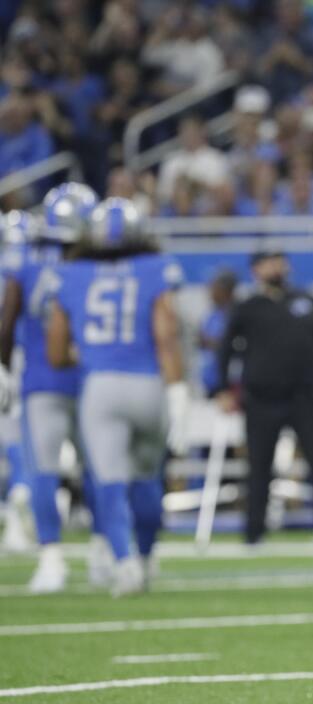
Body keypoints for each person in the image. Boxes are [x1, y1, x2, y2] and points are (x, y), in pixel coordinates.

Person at [46, 198, 189, 597]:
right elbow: (166, 335)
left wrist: (87, 353)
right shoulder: (156, 269)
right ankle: (145, 558)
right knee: (147, 478)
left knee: (108, 482)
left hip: (101, 387)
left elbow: (56, 352)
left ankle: (124, 563)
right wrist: (178, 393)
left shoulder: (71, 274)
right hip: (148, 385)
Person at [0, 188, 109, 593]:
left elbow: (8, 317)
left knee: (45, 471)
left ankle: (53, 558)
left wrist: (3, 367)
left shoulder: (25, 260)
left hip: (44, 382)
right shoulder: (100, 263)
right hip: (86, 380)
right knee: (99, 471)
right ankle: (102, 550)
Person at [215, 252, 313, 545]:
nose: (276, 267)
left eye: (280, 261)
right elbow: (225, 349)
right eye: (269, 262)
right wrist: (221, 388)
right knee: (259, 464)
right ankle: (255, 530)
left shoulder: (305, 300)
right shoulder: (248, 306)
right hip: (263, 397)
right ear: (256, 270)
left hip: (306, 394)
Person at [197, 269, 238, 398]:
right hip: (209, 384)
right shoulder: (212, 313)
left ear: (225, 289)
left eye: (213, 287)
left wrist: (209, 342)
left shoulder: (235, 313)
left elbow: (233, 345)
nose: (210, 292)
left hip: (228, 386)